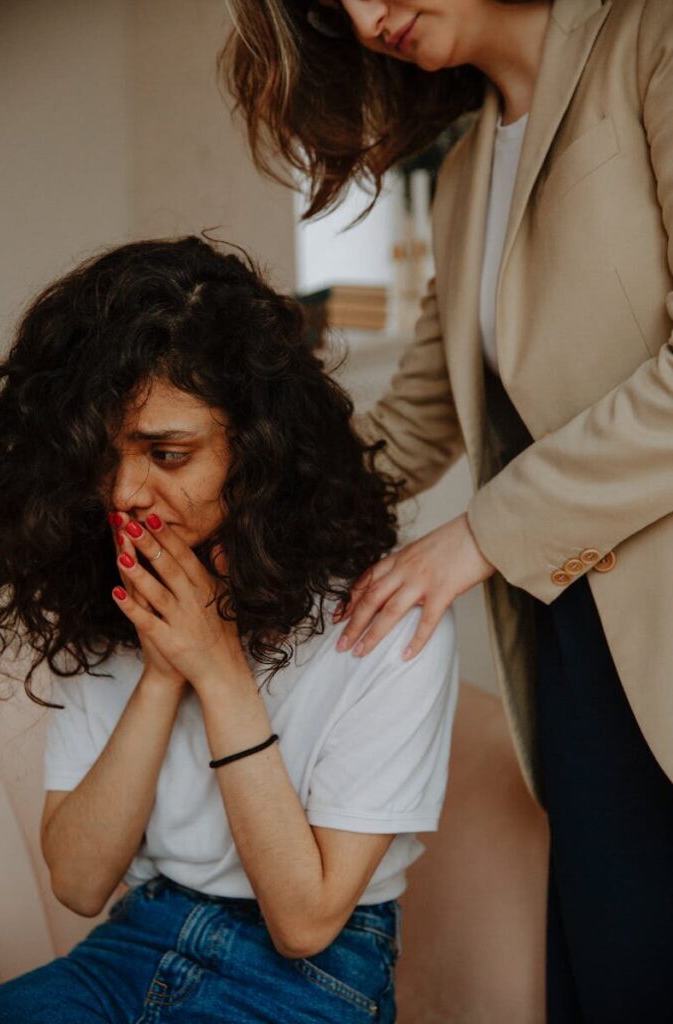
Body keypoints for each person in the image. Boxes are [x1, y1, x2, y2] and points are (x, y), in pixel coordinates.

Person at [221, 0, 673, 1019]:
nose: (365, 16)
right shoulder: (467, 167)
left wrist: (474, 537)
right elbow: (412, 421)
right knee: (613, 974)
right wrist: (228, 506)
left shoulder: (649, 39)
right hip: (572, 648)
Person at [0, 236, 458, 1023]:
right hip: (135, 940)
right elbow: (77, 882)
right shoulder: (105, 598)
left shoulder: (384, 617)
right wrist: (162, 672)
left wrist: (216, 666)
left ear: (261, 452)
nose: (126, 493)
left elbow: (305, 923)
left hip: (313, 973)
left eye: (168, 454)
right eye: (103, 458)